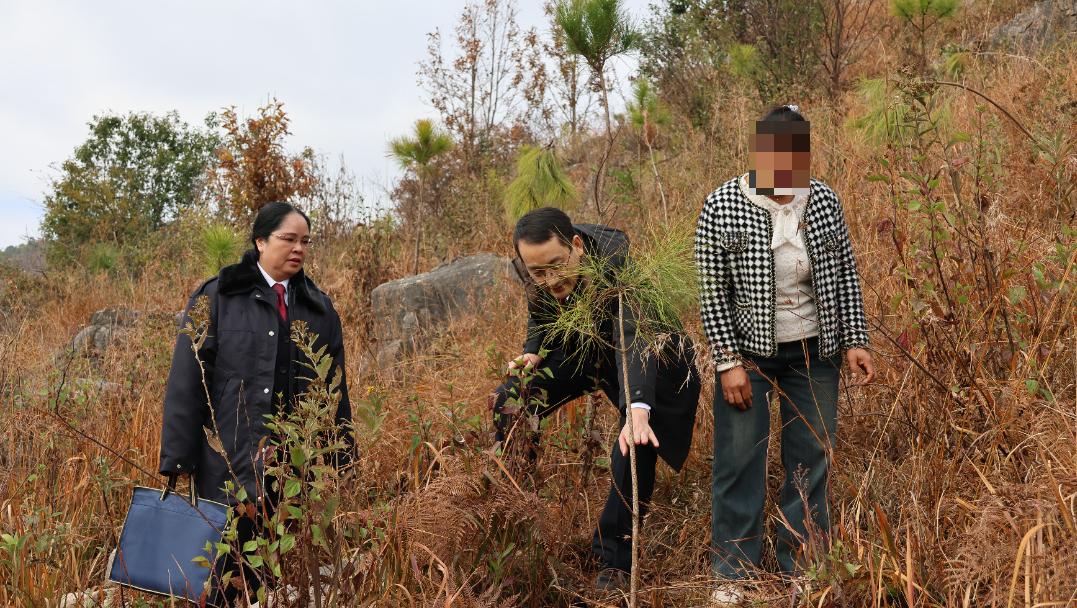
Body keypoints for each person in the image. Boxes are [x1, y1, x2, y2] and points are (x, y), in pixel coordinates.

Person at [694, 105, 875, 603]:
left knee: (810, 458)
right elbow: (712, 291)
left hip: (815, 350)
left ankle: (805, 564)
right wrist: (727, 361)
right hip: (748, 356)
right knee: (738, 459)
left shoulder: (824, 200)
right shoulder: (722, 204)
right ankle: (733, 573)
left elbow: (845, 272)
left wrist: (856, 339)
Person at [491, 207, 701, 591]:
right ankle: (515, 512)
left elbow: (634, 336)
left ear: (576, 245)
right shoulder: (536, 265)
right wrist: (533, 349)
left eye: (557, 266)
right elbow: (538, 303)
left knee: (634, 438)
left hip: (644, 355)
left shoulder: (618, 266)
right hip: (585, 349)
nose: (551, 279)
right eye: (538, 272)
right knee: (511, 398)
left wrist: (637, 407)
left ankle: (615, 560)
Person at [158, 201, 352, 605]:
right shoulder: (218, 296)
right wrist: (178, 459)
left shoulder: (319, 308)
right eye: (288, 239)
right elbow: (186, 381)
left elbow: (336, 391)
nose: (298, 248)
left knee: (271, 575)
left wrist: (342, 460)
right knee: (217, 575)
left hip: (292, 469)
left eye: (305, 241)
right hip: (225, 460)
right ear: (261, 241)